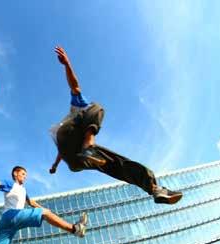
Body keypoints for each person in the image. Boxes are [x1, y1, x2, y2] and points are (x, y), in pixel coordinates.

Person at [49, 46, 183, 205]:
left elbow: (61, 151)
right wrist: (67, 65)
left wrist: (55, 166)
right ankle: (89, 146)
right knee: (97, 107)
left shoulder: (77, 131)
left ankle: (154, 189)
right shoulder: (80, 106)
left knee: (115, 164)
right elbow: (74, 85)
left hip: (74, 159)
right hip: (67, 135)